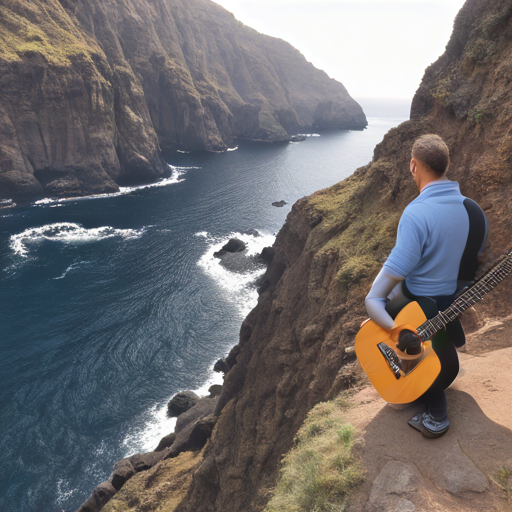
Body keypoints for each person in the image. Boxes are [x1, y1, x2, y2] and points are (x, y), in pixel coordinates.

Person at [365, 133, 488, 438]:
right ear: (446, 166)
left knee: (380, 308)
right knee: (426, 312)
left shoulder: (417, 213)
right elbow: (475, 263)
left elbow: (378, 295)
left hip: (421, 308)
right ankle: (437, 350)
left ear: (414, 166)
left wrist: (399, 331)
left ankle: (436, 416)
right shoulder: (475, 212)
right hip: (451, 303)